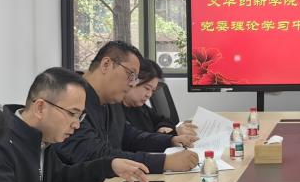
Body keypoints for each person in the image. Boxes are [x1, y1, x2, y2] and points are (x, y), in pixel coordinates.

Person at [0, 68, 152, 182]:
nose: (76, 124)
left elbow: (61, 178)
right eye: (72, 113)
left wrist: (108, 166)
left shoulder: (40, 138)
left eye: (80, 116)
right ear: (40, 108)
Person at [54, 41, 198, 173]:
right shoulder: (71, 99)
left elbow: (130, 136)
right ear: (106, 64)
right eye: (131, 75)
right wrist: (163, 162)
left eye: (135, 78)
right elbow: (93, 154)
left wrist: (170, 140)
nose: (133, 83)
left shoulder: (111, 101)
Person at [121, 59, 196, 138]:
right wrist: (174, 133)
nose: (149, 95)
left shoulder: (140, 107)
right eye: (147, 88)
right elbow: (139, 140)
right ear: (132, 81)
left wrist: (163, 128)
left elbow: (163, 120)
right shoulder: (117, 112)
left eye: (153, 91)